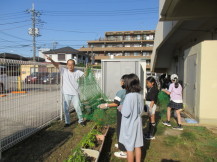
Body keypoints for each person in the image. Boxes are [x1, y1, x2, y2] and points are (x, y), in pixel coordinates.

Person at [46, 55, 85, 127]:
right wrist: (51, 60)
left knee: (78, 108)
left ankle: (81, 120)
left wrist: (88, 72)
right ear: (67, 65)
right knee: (66, 109)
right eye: (69, 64)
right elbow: (56, 65)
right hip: (66, 93)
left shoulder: (78, 72)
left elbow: (85, 74)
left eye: (72, 64)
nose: (70, 66)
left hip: (75, 94)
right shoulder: (64, 71)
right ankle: (67, 122)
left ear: (74, 65)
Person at [98, 74, 128, 159]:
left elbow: (116, 103)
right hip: (127, 113)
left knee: (120, 130)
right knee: (124, 130)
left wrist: (106, 105)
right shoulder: (130, 91)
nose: (120, 82)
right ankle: (121, 144)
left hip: (121, 112)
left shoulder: (121, 92)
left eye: (121, 81)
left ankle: (124, 151)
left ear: (123, 82)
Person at [119, 74, 144, 162]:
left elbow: (126, 113)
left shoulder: (129, 96)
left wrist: (121, 108)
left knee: (129, 148)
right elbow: (141, 111)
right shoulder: (140, 95)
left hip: (129, 125)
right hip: (137, 123)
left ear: (128, 84)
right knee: (137, 146)